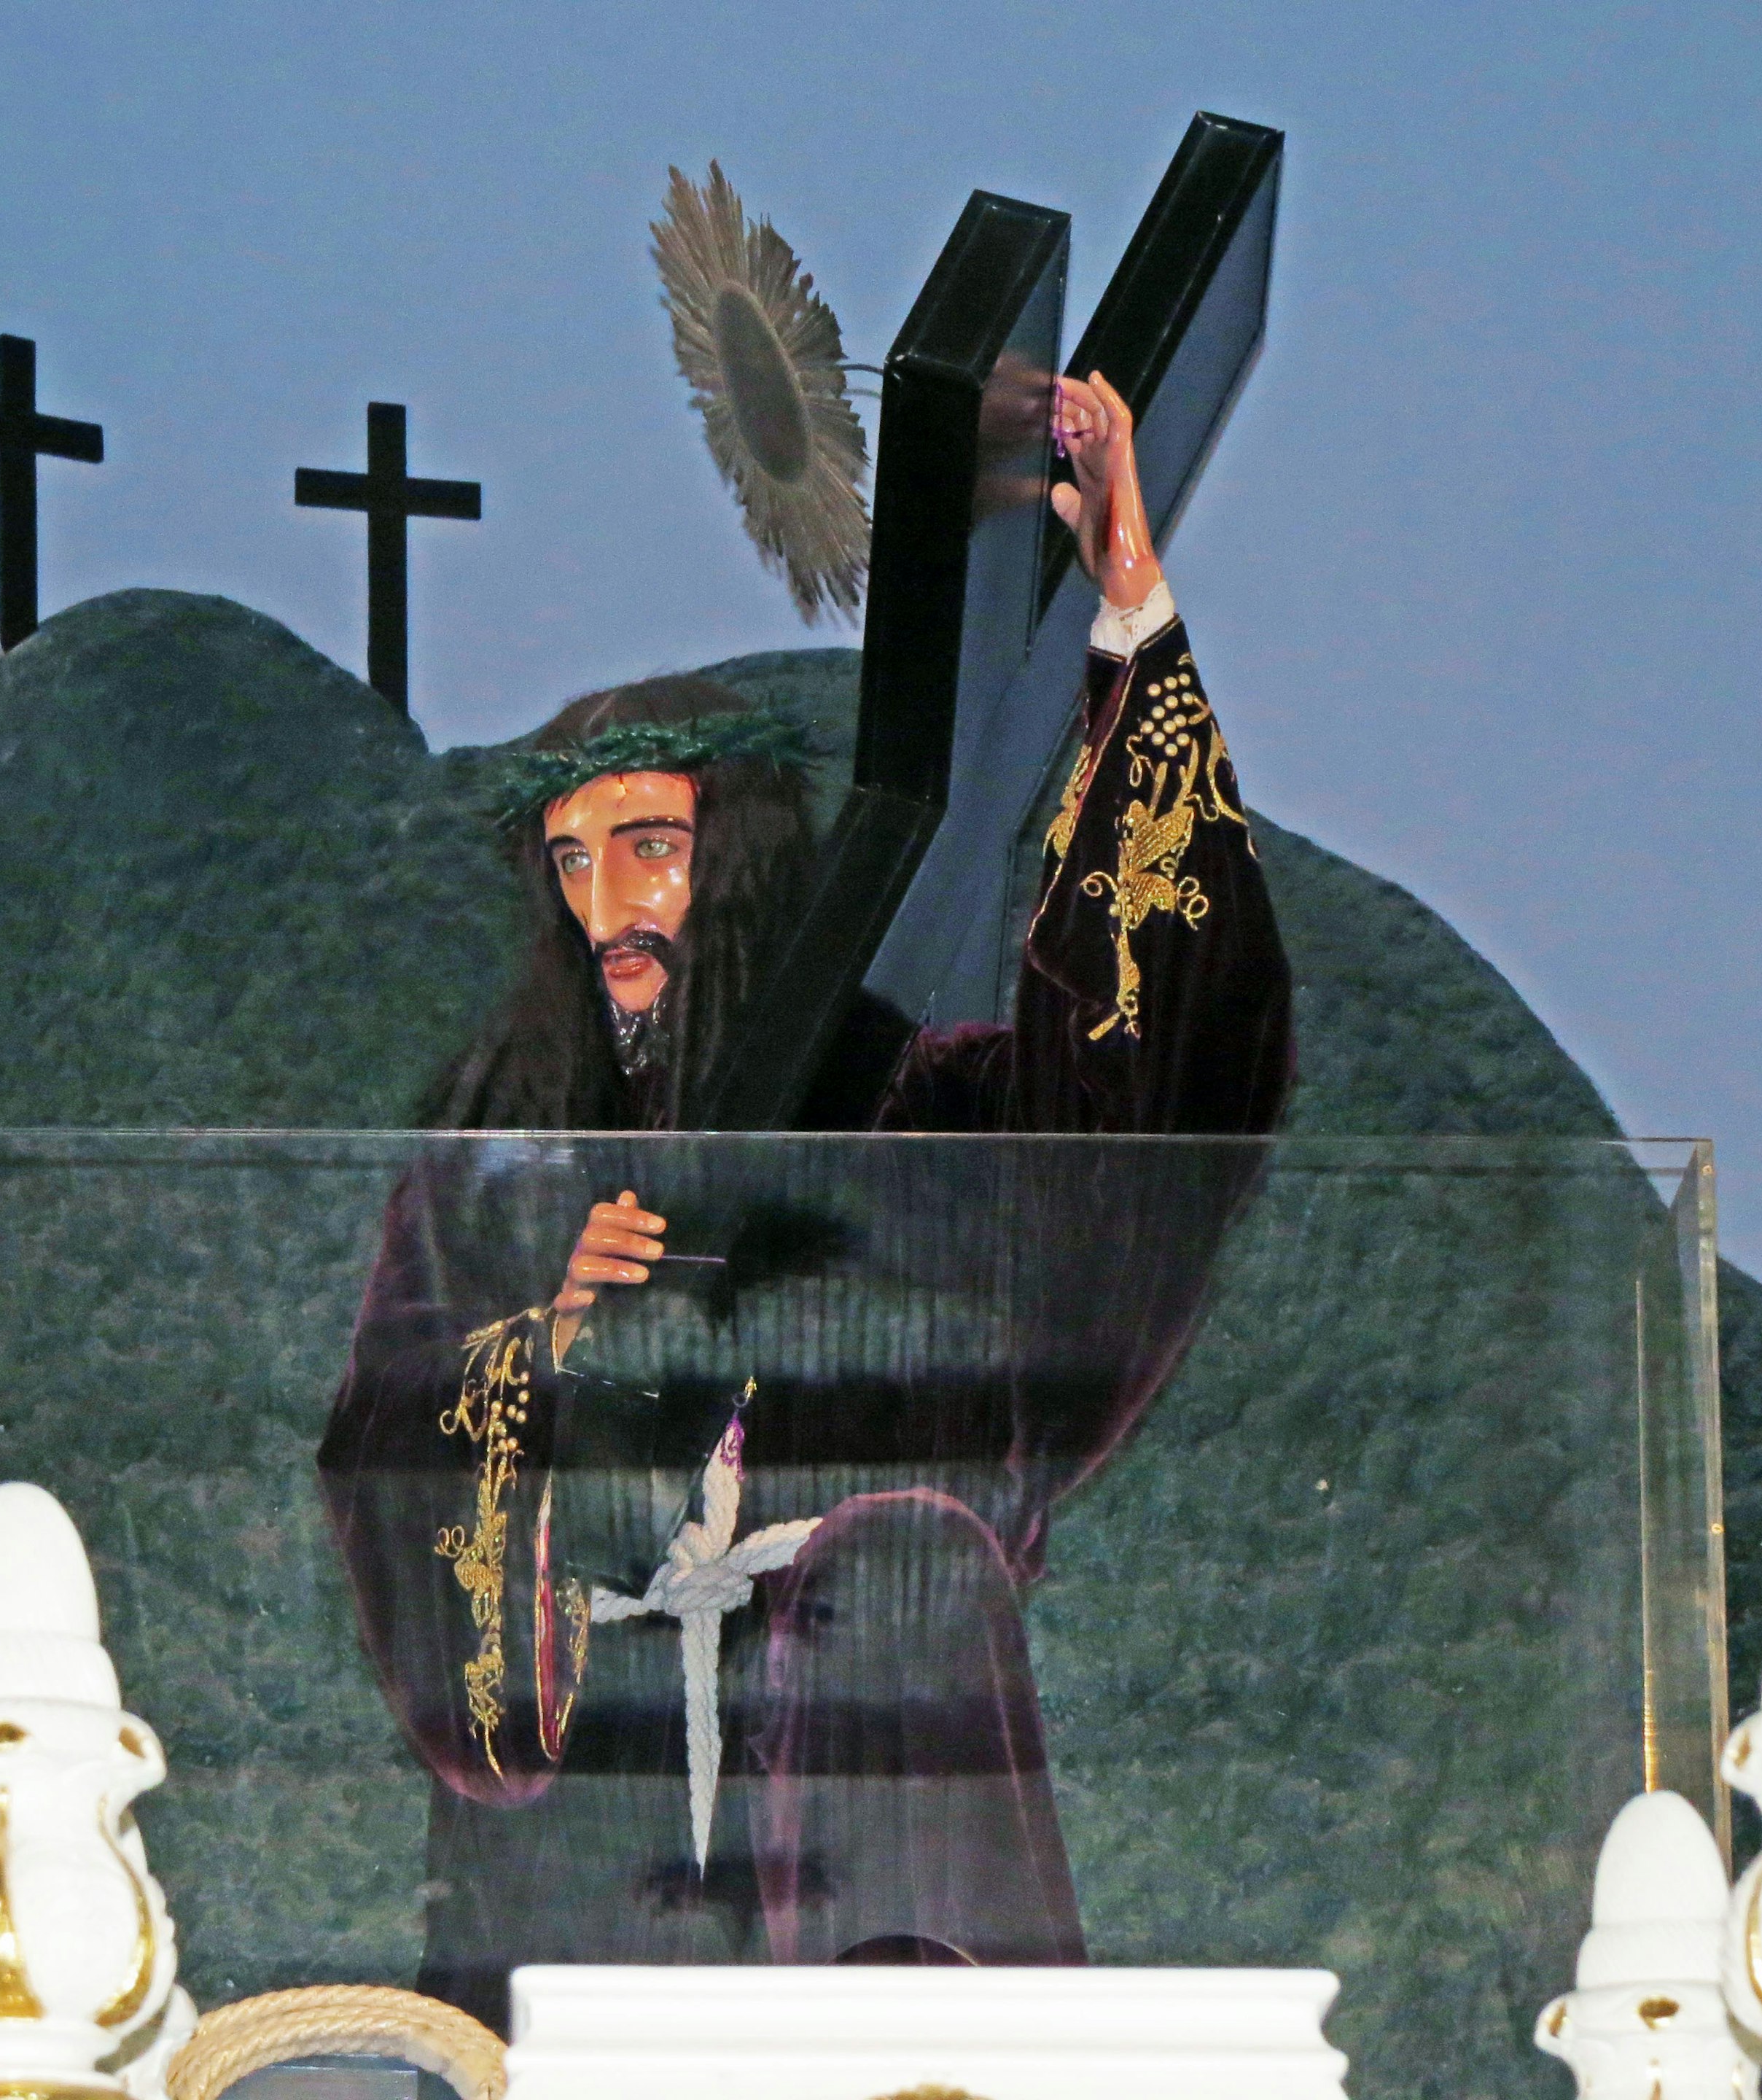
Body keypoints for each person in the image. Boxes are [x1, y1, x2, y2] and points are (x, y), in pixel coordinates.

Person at [318, 375, 1293, 2023]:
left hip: (873, 1827)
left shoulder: (905, 1106)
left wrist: (1127, 603)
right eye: (570, 861)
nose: (608, 903)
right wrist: (538, 1350)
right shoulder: (492, 1166)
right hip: (587, 1874)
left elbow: (1146, 1097)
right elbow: (380, 1447)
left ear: (746, 863)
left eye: (649, 848)